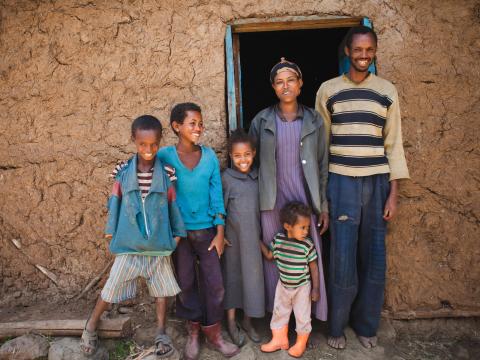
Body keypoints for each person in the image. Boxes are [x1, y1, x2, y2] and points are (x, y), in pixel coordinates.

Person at [315, 26, 410, 350]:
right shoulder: (328, 91)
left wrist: (394, 194)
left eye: (370, 50)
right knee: (341, 256)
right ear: (347, 51)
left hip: (376, 183)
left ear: (375, 52)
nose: (364, 56)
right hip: (341, 183)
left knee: (374, 256)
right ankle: (337, 327)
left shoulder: (386, 90)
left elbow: (393, 144)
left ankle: (367, 325)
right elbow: (321, 146)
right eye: (359, 50)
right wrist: (323, 198)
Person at [80, 115, 186, 358]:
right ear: (133, 141)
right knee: (111, 288)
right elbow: (115, 201)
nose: (148, 150)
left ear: (160, 142)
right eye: (142, 145)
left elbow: (173, 206)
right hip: (129, 246)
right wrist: (112, 230)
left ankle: (161, 332)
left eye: (153, 145)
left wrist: (177, 236)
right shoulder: (123, 172)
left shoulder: (167, 173)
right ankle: (91, 326)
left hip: (158, 247)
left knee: (161, 292)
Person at [248, 58, 329, 322]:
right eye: (280, 82)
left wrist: (323, 205)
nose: (286, 86)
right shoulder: (261, 120)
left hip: (304, 197)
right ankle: (278, 320)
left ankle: (307, 316)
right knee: (275, 257)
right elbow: (251, 164)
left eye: (291, 80)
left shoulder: (314, 120)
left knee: (307, 253)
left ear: (300, 84)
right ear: (273, 87)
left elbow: (322, 165)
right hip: (272, 199)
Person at [158, 102, 239, 359]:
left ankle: (214, 334)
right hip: (179, 236)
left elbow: (216, 196)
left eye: (200, 123)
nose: (198, 128)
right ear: (176, 126)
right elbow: (144, 176)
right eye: (192, 123)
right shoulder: (164, 157)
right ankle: (193, 332)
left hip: (207, 233)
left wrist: (219, 232)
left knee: (215, 286)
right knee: (186, 283)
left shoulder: (210, 157)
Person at [259, 202, 320, 358]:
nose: (306, 231)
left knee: (302, 315)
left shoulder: (307, 245)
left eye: (307, 227)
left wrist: (315, 288)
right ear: (287, 226)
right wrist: (257, 241)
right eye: (302, 227)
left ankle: (301, 343)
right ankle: (280, 339)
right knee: (280, 312)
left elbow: (313, 267)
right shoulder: (278, 241)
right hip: (283, 285)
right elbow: (269, 256)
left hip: (302, 287)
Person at [221, 128, 264, 346]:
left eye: (247, 154)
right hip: (232, 240)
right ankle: (230, 322)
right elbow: (219, 209)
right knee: (232, 278)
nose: (243, 160)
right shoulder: (227, 179)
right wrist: (219, 235)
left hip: (253, 241)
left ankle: (248, 321)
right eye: (237, 156)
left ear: (254, 153)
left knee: (253, 280)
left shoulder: (259, 178)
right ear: (230, 156)